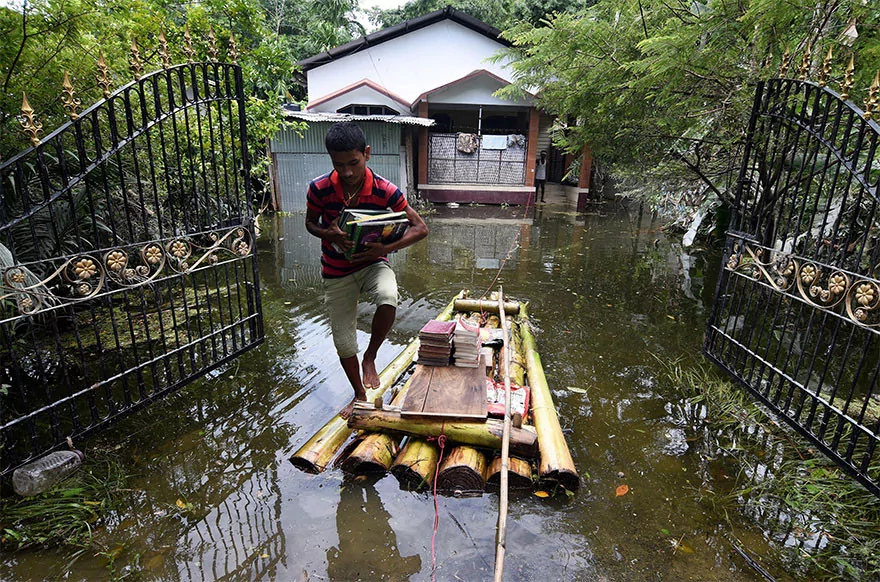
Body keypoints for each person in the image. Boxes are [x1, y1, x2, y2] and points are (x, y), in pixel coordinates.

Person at [305, 122, 428, 418]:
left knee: (388, 296)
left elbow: (420, 228)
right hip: (336, 270)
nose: (347, 172)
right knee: (343, 340)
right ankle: (359, 394)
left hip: (374, 262)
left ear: (367, 154)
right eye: (338, 164)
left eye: (353, 163)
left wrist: (385, 249)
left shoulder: (386, 190)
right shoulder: (318, 189)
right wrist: (329, 233)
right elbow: (310, 224)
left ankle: (370, 356)